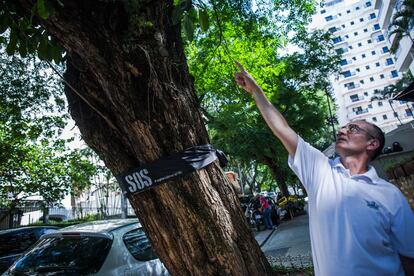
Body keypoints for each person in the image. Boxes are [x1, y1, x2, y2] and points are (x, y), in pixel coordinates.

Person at [234, 61, 414, 275]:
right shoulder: (321, 172)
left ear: (372, 144)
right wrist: (255, 90)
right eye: (344, 126)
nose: (343, 130)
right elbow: (281, 129)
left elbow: (409, 256)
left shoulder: (390, 195)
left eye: (353, 128)